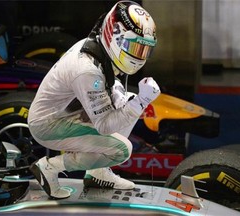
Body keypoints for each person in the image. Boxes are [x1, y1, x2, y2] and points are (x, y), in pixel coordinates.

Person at [28, 0, 160, 199]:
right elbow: (105, 126)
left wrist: (122, 96)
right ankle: (49, 167)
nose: (139, 56)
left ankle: (97, 172)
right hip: (48, 125)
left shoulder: (96, 46)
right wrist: (141, 102)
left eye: (144, 50)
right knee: (123, 150)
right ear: (115, 36)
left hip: (68, 113)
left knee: (126, 101)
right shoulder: (86, 70)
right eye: (134, 47)